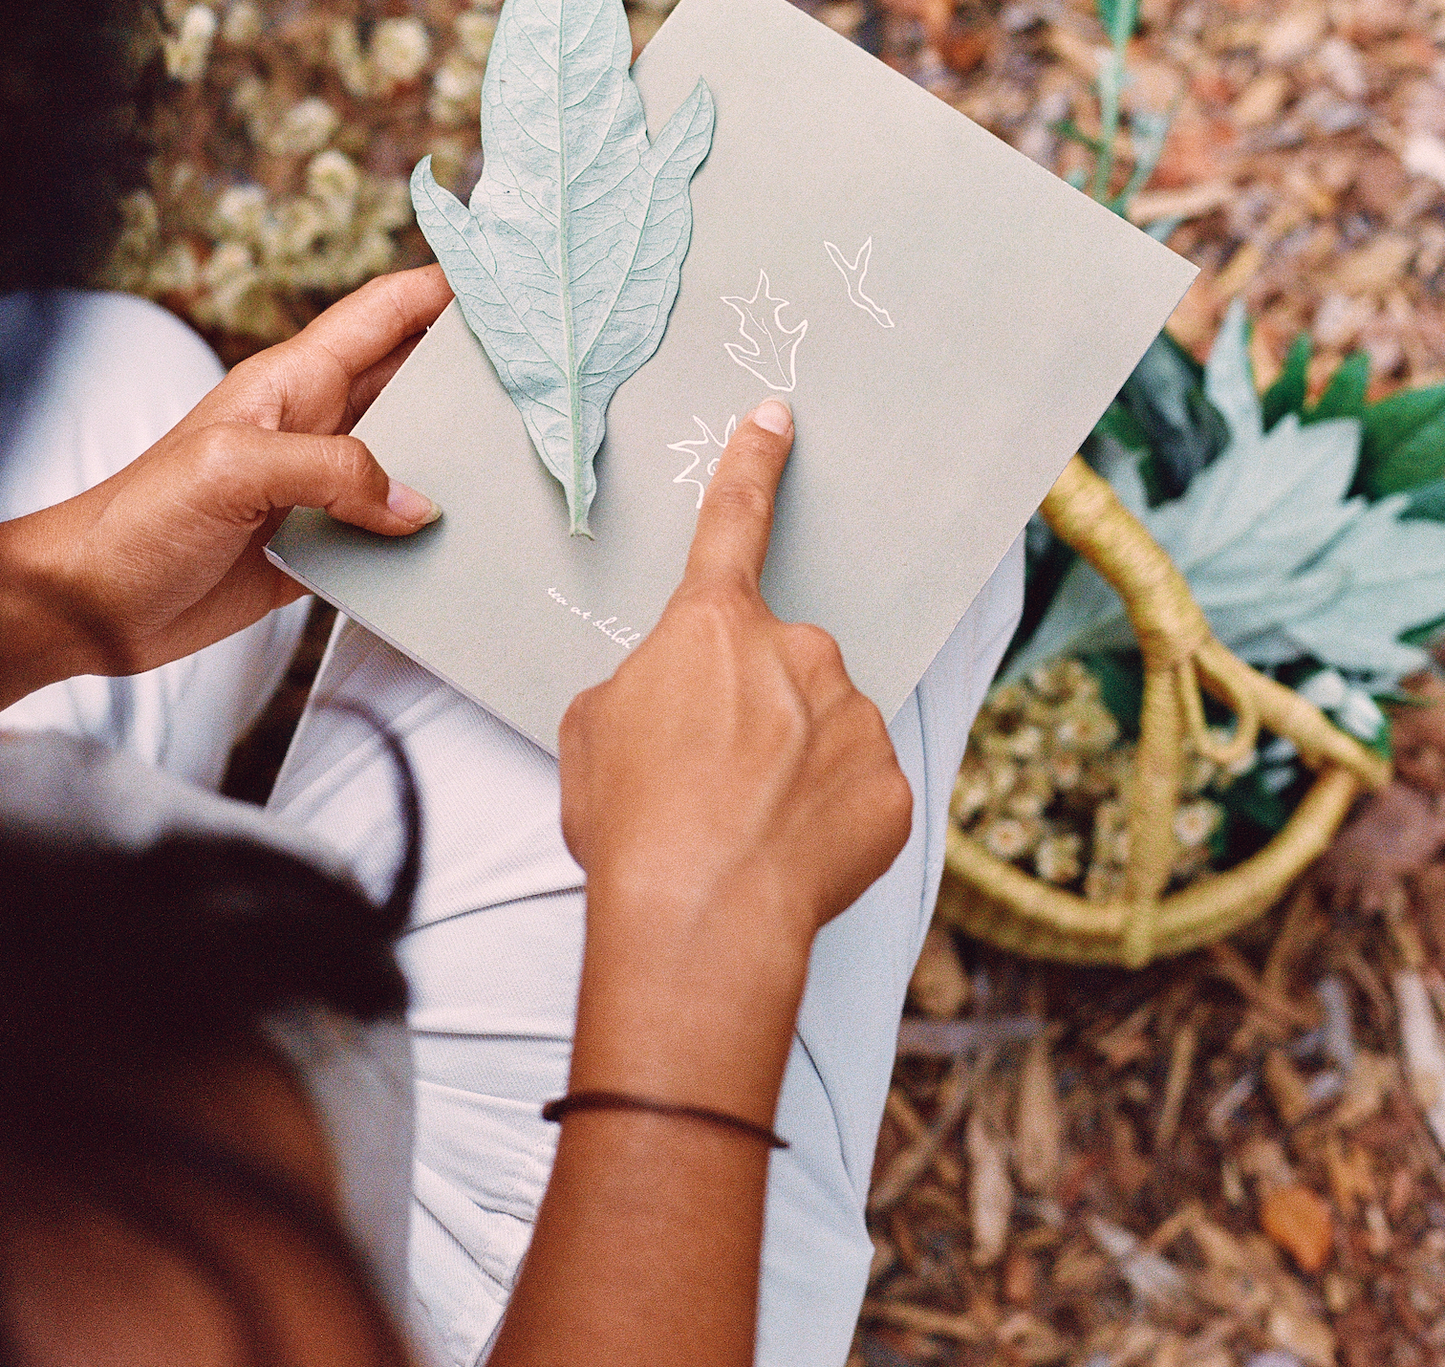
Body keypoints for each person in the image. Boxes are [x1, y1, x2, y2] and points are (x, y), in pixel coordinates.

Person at [0, 268, 1023, 1363]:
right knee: (845, 563)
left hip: (89, 967)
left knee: (116, 367)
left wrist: (61, 591)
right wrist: (699, 942)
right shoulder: (137, 1279)